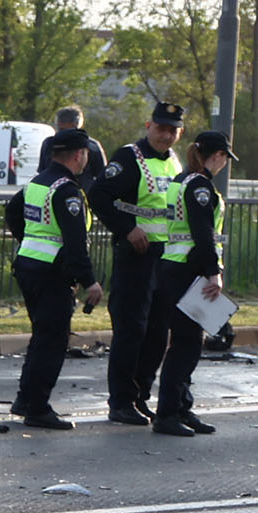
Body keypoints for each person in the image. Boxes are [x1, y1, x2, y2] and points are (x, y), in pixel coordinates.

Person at [9, 127, 102, 428]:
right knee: (52, 342)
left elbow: (12, 213)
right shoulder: (67, 191)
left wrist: (28, 241)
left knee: (41, 338)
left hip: (29, 268)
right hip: (51, 275)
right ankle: (37, 408)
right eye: (86, 154)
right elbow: (75, 244)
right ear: (79, 155)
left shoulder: (38, 182)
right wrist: (90, 281)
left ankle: (26, 399)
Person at [101, 99, 185, 424]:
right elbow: (100, 197)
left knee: (158, 333)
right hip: (136, 256)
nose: (166, 135)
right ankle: (120, 401)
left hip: (167, 258)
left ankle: (140, 397)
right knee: (131, 329)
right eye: (162, 128)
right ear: (149, 126)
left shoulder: (174, 161)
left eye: (173, 130)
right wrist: (127, 230)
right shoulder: (129, 157)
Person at [151, 126, 236, 437]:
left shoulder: (181, 180)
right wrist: (214, 273)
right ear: (217, 156)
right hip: (189, 271)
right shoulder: (200, 187)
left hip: (174, 268)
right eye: (225, 158)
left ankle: (181, 407)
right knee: (186, 345)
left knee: (188, 343)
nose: (225, 163)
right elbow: (202, 234)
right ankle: (168, 413)